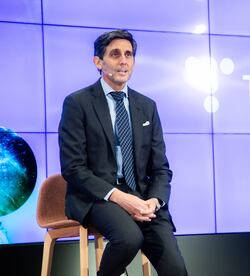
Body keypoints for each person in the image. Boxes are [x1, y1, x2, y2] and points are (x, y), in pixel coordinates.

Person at [58, 29, 188, 276]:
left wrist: (155, 200)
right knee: (129, 238)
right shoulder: (77, 103)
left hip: (142, 198)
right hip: (97, 197)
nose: (124, 60)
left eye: (129, 54)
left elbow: (161, 167)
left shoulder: (147, 106)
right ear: (98, 61)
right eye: (115, 54)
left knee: (176, 269)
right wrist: (119, 197)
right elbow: (73, 168)